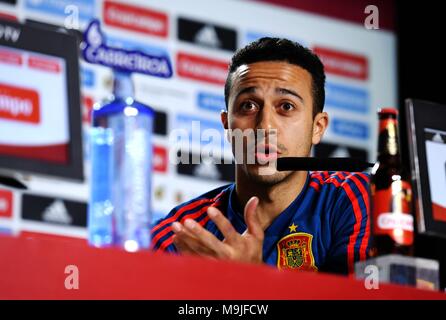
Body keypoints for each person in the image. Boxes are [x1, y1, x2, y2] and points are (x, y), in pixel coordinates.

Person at [151, 37, 370, 275]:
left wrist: (248, 281)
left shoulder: (352, 199)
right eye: (248, 106)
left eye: (286, 106)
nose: (265, 127)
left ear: (317, 127)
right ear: (227, 125)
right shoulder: (182, 234)